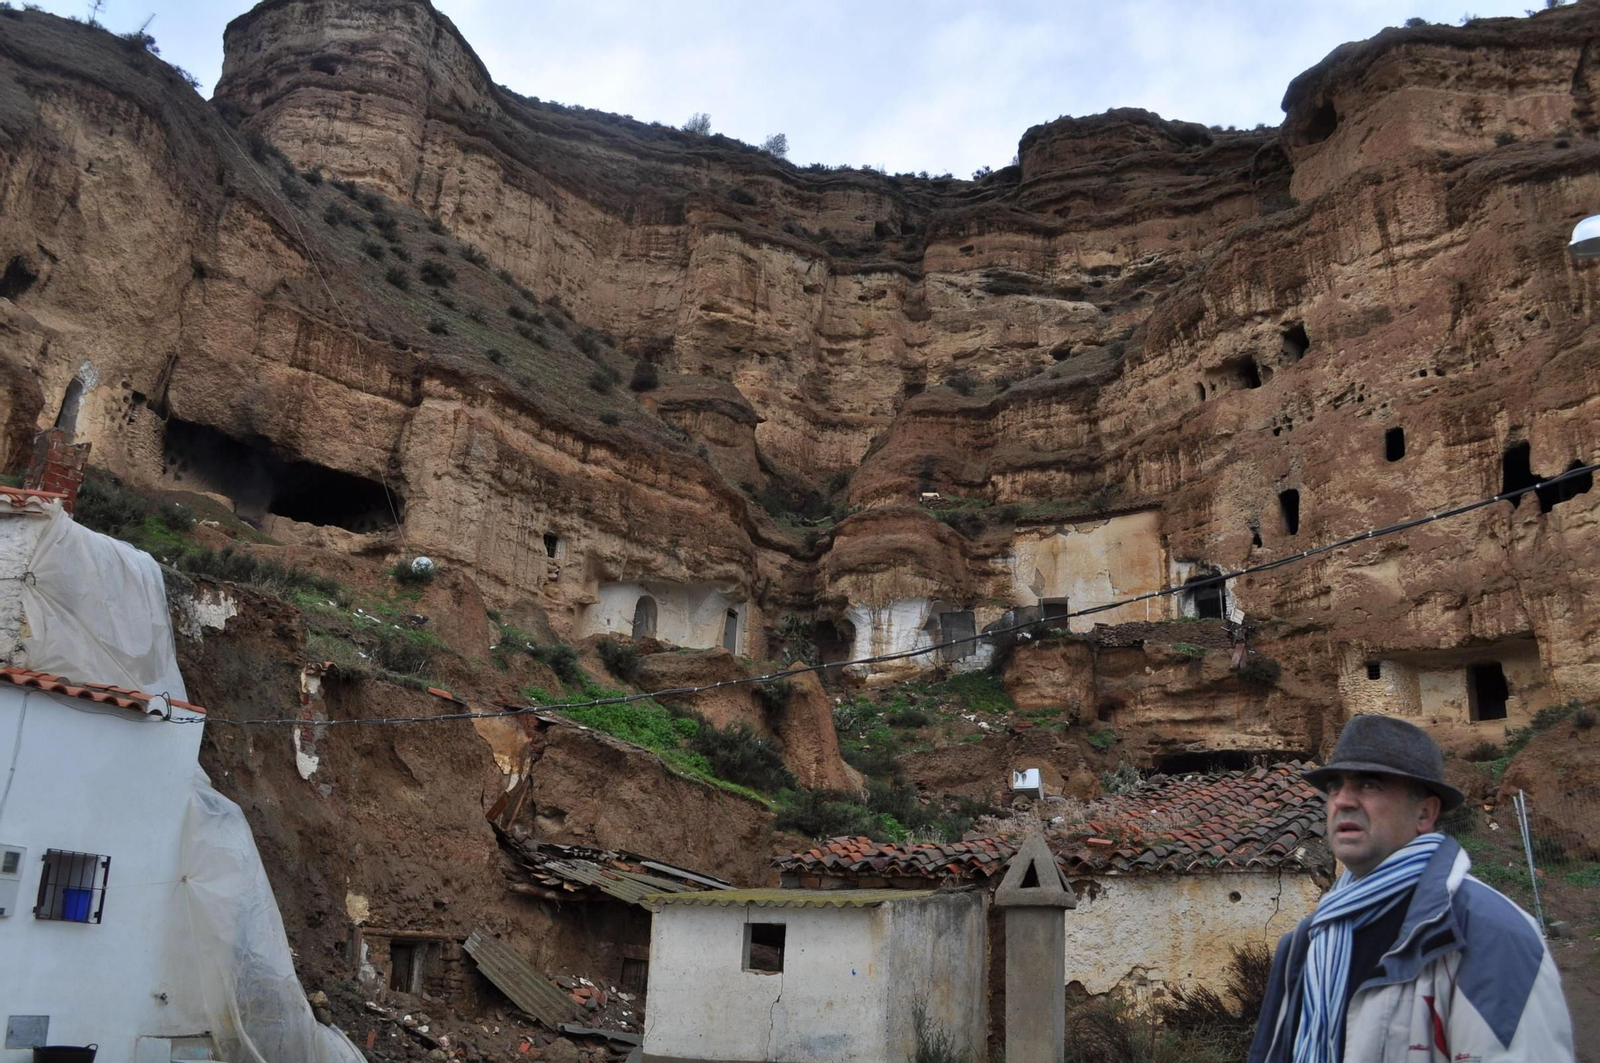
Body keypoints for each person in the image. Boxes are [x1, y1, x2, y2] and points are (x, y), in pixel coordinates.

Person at [1248, 714, 1575, 1063]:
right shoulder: (1304, 943)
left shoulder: (1490, 933)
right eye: (1334, 787)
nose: (1342, 800)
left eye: (1370, 784)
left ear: (1424, 813)